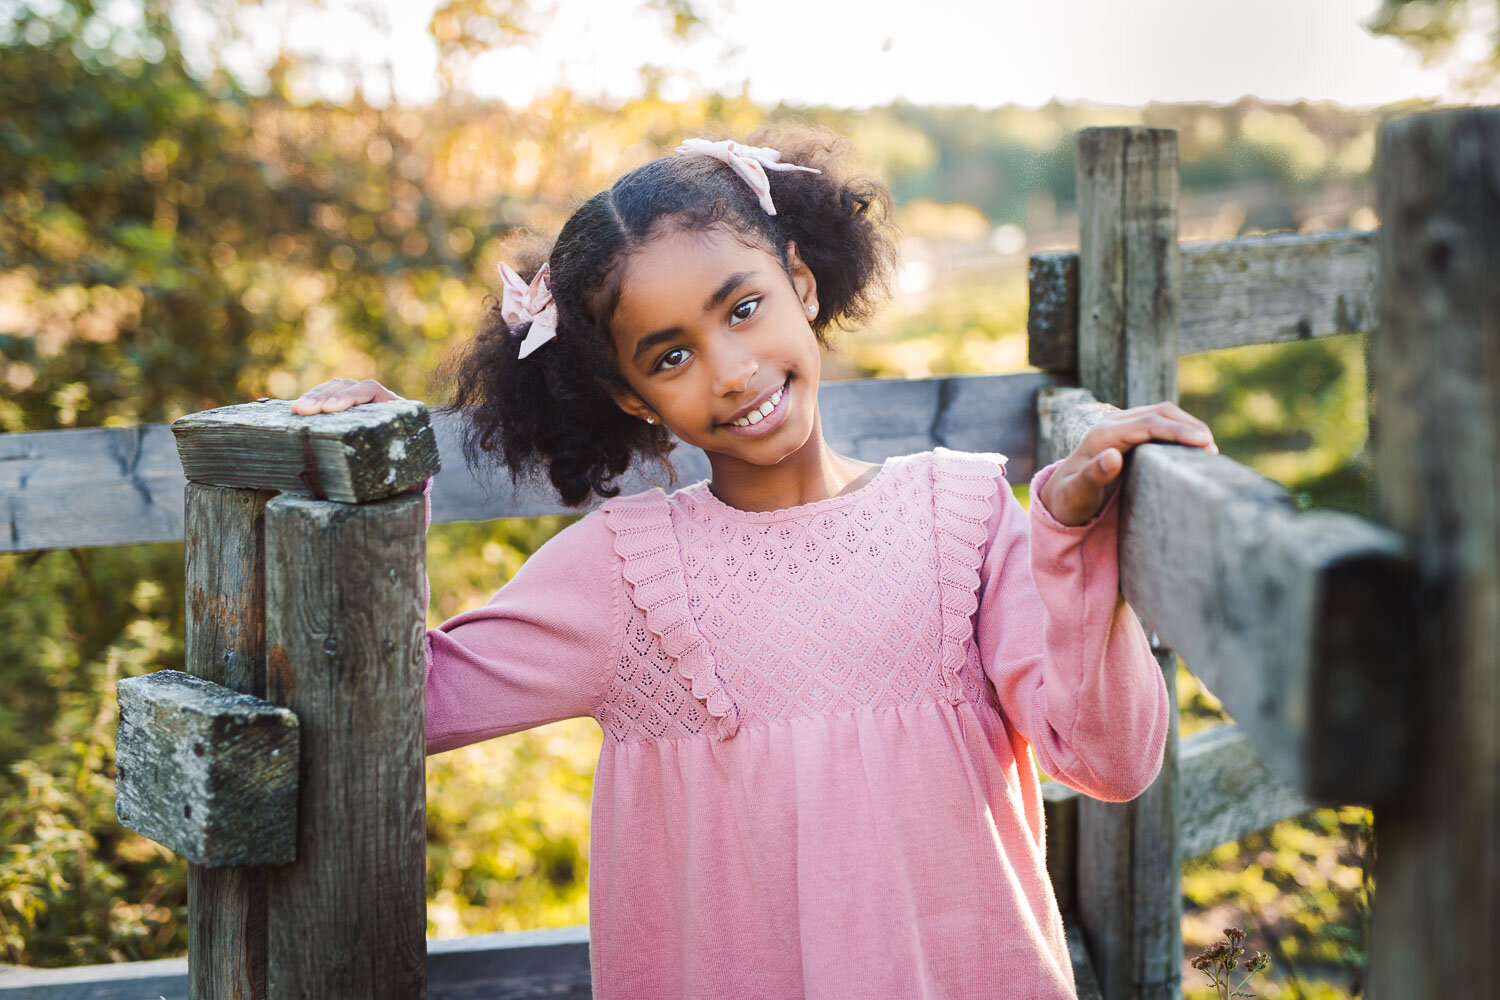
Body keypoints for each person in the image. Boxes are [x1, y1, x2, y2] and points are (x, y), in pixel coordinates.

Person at [290, 128, 1219, 999]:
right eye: (671, 355)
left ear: (802, 283)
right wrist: (379, 486)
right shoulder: (621, 576)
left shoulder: (965, 516)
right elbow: (395, 706)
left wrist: (1071, 541)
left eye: (742, 308)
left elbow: (1111, 759)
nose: (730, 370)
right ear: (629, 393)